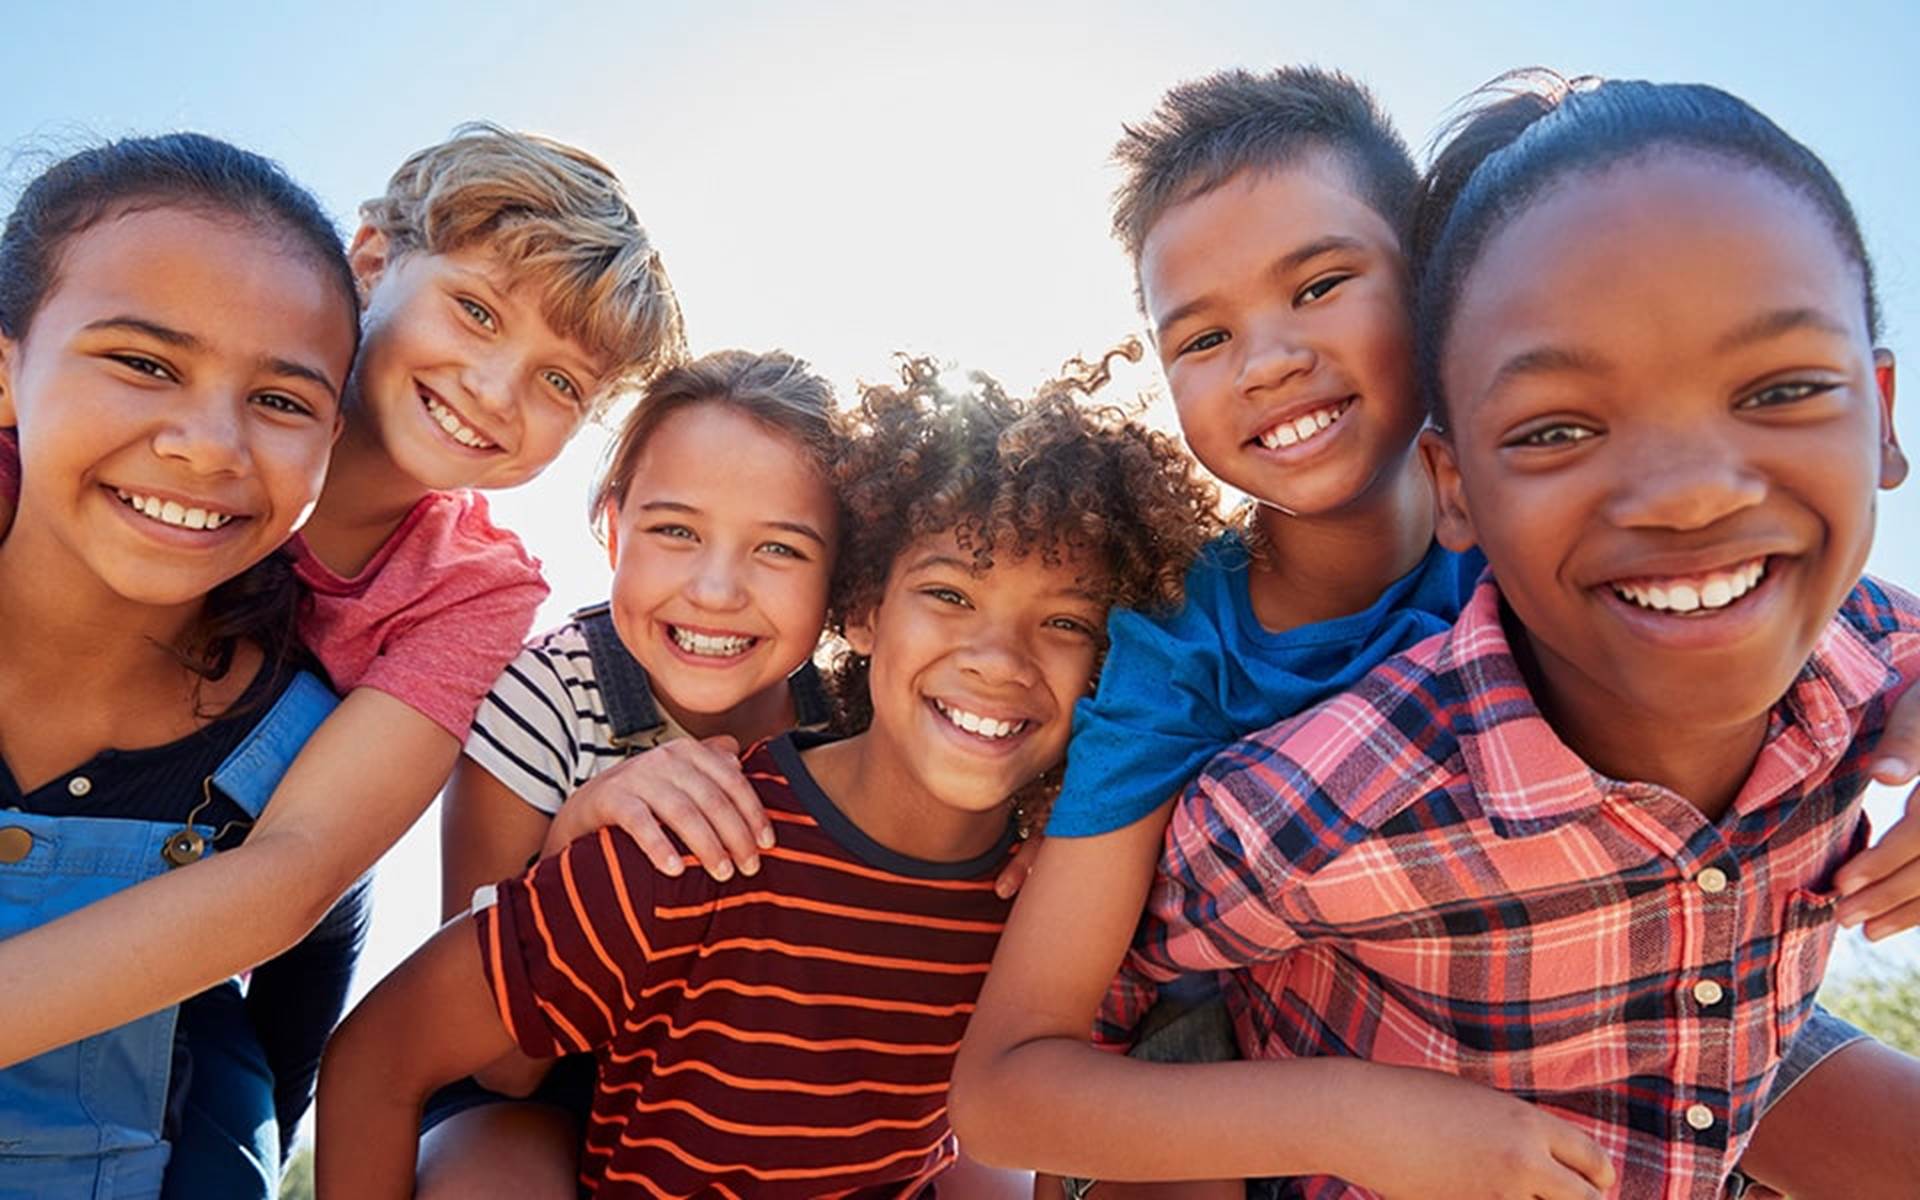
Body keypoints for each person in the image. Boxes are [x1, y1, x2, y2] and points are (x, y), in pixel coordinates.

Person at [950, 67, 1920, 1199]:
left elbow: (1874, 630)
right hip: (1255, 1029)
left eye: (1318, 283)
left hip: (1624, 965)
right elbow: (1029, 1056)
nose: (1265, 359)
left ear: (1435, 296)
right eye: (1202, 338)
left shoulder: (1568, 524)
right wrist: (1353, 1124)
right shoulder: (1183, 661)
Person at [314, 355, 1219, 1198]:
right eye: (948, 595)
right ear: (864, 609)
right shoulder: (662, 818)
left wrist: (1061, 830)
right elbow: (445, 1062)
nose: (997, 661)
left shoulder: (1040, 883)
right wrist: (577, 836)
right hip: (535, 1077)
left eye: (1065, 624)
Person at [0, 122, 687, 1192]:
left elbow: (295, 875)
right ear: (373, 262)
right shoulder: (125, 448)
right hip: (99, 814)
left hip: (268, 877)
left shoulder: (471, 584)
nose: (497, 390)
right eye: (475, 311)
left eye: (561, 384)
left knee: (242, 1101)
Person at [0, 133, 359, 1199]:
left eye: (283, 401)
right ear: (9, 373)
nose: (210, 445)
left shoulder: (299, 743)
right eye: (146, 363)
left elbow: (305, 981)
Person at [416, 348, 846, 1197]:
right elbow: (498, 1062)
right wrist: (575, 844)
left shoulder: (855, 723)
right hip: (547, 1085)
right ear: (614, 531)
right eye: (675, 531)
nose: (717, 589)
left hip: (757, 1085)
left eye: (782, 549)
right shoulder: (547, 699)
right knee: (489, 1176)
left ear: (842, 579)